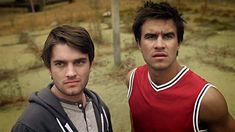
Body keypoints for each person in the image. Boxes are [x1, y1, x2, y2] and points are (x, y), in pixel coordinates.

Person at [126, 1, 235, 132]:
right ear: (139, 44)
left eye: (168, 36)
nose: (159, 45)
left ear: (178, 43)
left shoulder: (207, 99)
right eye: (151, 36)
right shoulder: (132, 79)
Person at [12, 25, 113, 132]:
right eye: (60, 64)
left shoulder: (101, 109)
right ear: (49, 68)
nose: (71, 73)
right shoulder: (30, 125)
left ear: (90, 65)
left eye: (79, 62)